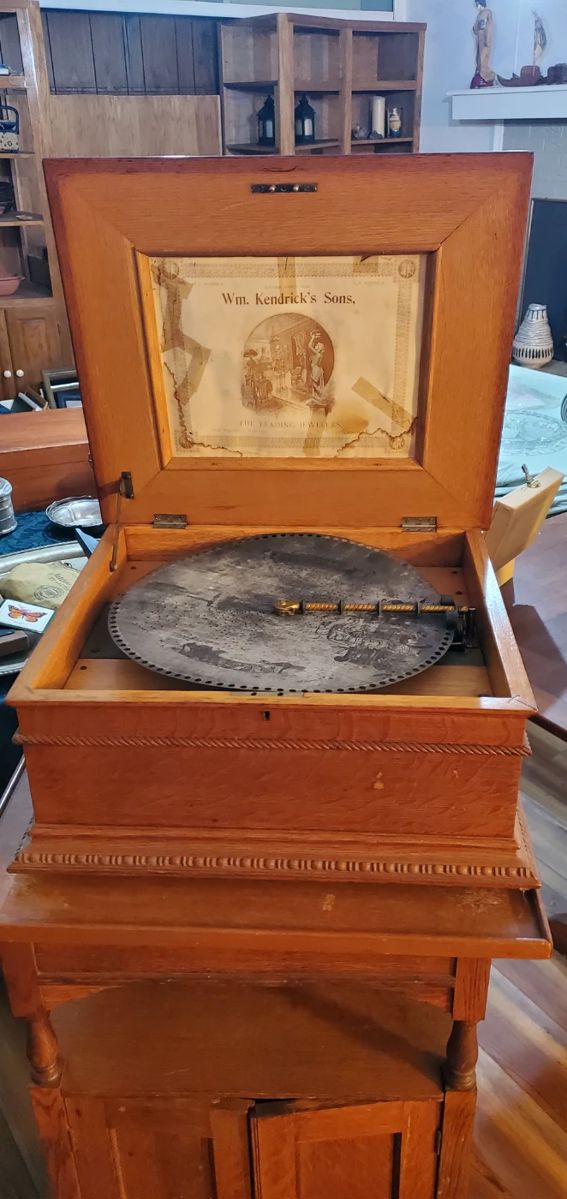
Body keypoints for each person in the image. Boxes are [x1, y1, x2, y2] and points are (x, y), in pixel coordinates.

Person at [471, 0, 496, 89]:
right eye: (476, 4)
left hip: (485, 38)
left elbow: (489, 26)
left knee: (483, 57)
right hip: (479, 38)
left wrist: (488, 39)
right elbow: (475, 28)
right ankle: (479, 74)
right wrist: (475, 28)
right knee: (478, 57)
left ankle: (485, 76)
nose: (477, 6)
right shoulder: (479, 14)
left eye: (478, 4)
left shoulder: (487, 12)